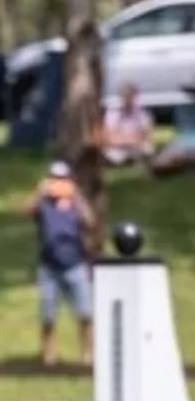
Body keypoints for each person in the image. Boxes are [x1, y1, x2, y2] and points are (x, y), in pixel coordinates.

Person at [24, 160, 96, 368]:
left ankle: (88, 353)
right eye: (54, 178)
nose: (58, 183)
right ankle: (49, 355)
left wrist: (77, 197)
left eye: (62, 178)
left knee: (85, 313)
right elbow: (25, 211)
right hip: (49, 267)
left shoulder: (75, 203)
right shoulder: (43, 204)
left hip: (75, 264)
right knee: (48, 315)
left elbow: (90, 222)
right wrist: (39, 192)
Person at [97, 82, 154, 168]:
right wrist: (128, 139)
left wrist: (132, 139)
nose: (128, 99)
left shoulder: (142, 114)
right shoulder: (112, 113)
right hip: (117, 148)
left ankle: (143, 166)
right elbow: (108, 137)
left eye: (130, 96)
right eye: (125, 96)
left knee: (147, 148)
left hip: (135, 147)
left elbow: (147, 135)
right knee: (108, 152)